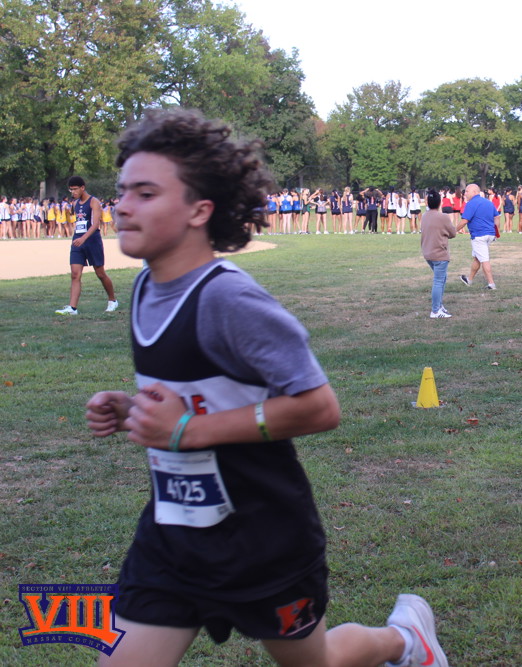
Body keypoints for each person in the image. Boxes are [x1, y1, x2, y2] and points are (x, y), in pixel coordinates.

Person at [83, 108, 448, 667]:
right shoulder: (145, 289)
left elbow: (319, 407)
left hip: (262, 537)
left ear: (199, 210)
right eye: (122, 191)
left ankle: (404, 640)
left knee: (318, 662)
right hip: (174, 534)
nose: (122, 206)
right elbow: (202, 394)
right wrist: (133, 409)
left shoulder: (228, 299)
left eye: (146, 193)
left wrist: (188, 430)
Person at [55, 176, 119, 315]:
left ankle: (112, 300)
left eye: (75, 189)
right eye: (71, 190)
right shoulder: (75, 203)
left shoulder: (93, 202)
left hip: (92, 241)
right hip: (77, 241)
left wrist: (83, 238)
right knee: (75, 274)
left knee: (100, 273)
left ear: (82, 187)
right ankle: (72, 308)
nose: (73, 192)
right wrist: (78, 238)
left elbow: (95, 224)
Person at [420, 189, 456, 318]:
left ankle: (439, 305)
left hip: (427, 252)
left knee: (442, 279)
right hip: (439, 253)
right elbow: (453, 233)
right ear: (440, 202)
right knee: (439, 281)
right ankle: (435, 311)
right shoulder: (443, 217)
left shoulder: (424, 216)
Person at [456, 183, 499, 290]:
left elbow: (464, 221)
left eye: (467, 191)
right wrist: (496, 230)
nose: (465, 193)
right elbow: (497, 216)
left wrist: (453, 231)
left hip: (479, 235)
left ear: (475, 192)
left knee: (484, 259)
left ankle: (491, 284)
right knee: (477, 258)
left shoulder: (471, 204)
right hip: (489, 234)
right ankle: (469, 280)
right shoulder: (488, 202)